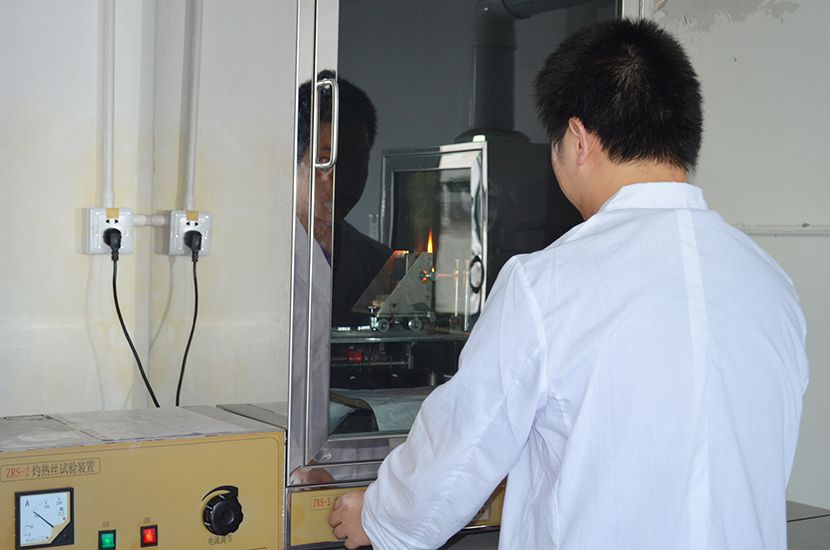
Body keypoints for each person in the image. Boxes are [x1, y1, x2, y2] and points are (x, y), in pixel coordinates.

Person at [329, 18, 808, 550]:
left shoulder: (547, 285)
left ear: (578, 140)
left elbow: (459, 452)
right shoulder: (771, 286)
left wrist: (379, 515)